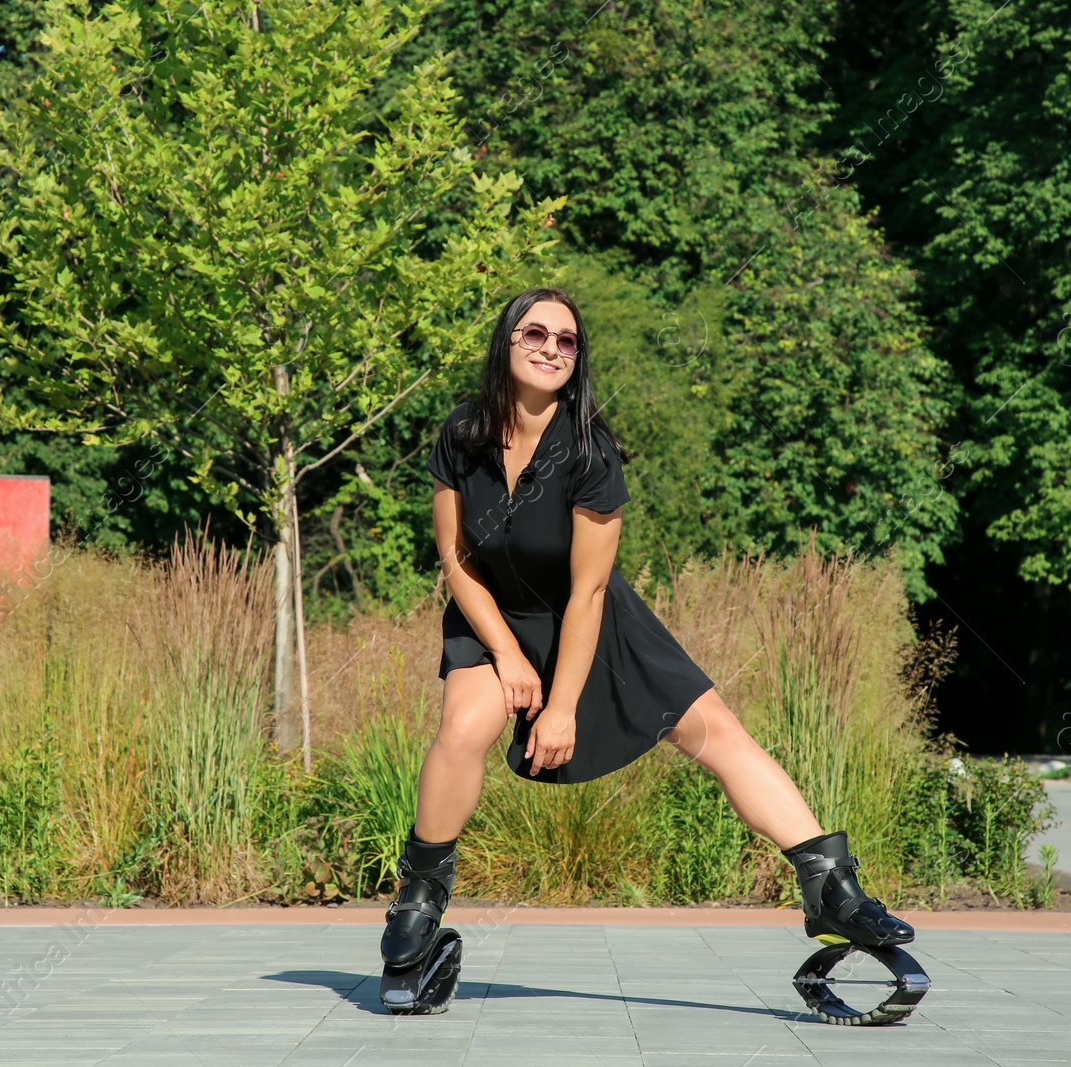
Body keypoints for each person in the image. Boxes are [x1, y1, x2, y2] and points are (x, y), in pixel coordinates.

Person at [380, 287, 914, 976]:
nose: (550, 348)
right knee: (460, 729)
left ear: (578, 357)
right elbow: (455, 556)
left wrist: (563, 703)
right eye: (535, 333)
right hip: (490, 615)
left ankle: (830, 886)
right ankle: (421, 894)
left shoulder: (590, 451)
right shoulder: (461, 434)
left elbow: (590, 588)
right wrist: (508, 654)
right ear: (505, 343)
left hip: (588, 618)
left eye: (566, 340)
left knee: (718, 731)